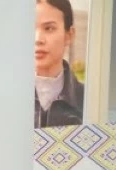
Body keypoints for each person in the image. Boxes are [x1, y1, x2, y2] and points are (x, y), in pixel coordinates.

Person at [35, 0, 84, 128]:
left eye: (49, 28)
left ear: (69, 35)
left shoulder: (89, 100)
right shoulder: (1, 98)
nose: (38, 39)